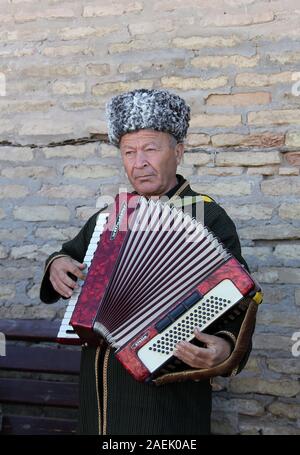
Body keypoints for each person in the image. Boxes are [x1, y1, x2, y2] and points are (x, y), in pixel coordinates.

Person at [40, 88, 255, 435]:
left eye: (151, 148)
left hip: (166, 403)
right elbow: (69, 254)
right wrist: (58, 263)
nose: (139, 162)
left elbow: (238, 301)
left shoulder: (207, 217)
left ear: (179, 152)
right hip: (98, 395)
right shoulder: (109, 218)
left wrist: (226, 347)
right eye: (129, 151)